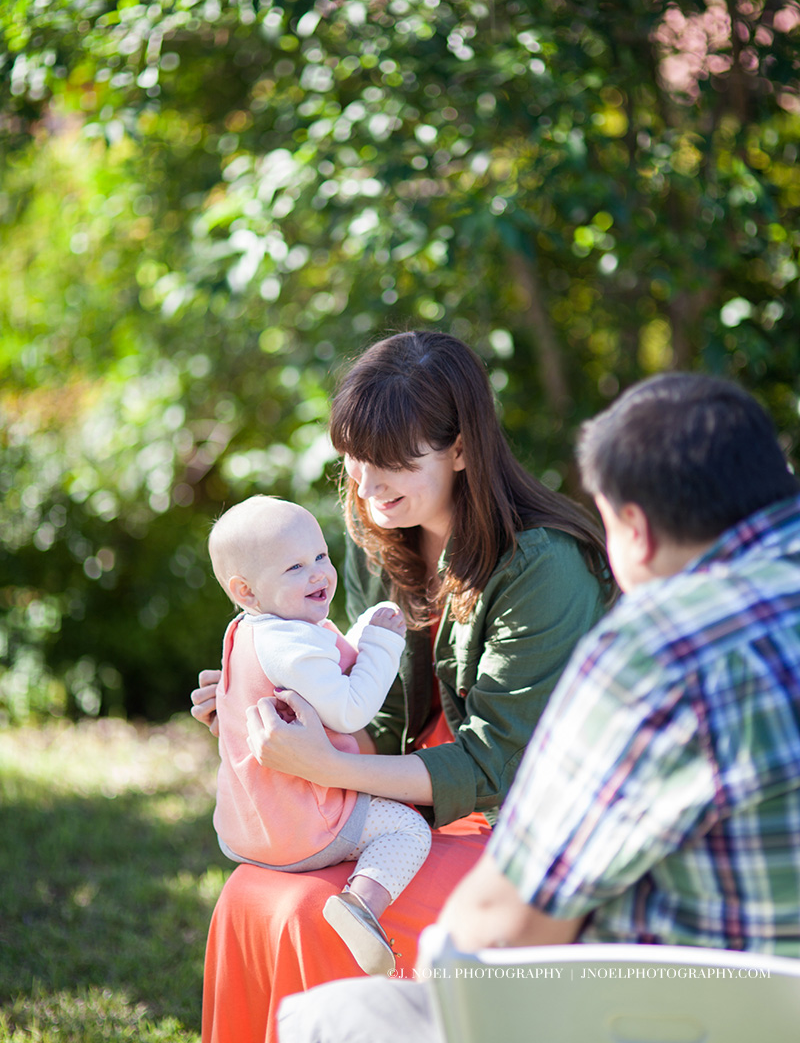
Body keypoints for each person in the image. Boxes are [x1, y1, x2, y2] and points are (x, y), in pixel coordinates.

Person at [276, 371, 800, 1043]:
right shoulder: (380, 545)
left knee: (330, 1020)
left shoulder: (656, 648)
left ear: (632, 531)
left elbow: (506, 921)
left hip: (676, 1011)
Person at [191, 329, 610, 1043]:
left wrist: (328, 765)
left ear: (461, 450)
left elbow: (496, 765)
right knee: (249, 891)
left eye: (392, 464)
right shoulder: (378, 539)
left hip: (526, 838)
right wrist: (278, 712)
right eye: (354, 460)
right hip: (412, 818)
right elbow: (379, 722)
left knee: (307, 912)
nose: (366, 485)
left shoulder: (544, 566)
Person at [207, 495, 431, 975]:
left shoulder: (249, 633)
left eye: (321, 556)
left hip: (250, 828)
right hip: (305, 825)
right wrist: (385, 646)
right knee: (408, 829)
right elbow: (350, 710)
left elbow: (324, 672)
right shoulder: (291, 645)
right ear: (246, 590)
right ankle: (360, 906)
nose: (318, 574)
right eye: (294, 567)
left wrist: (361, 633)